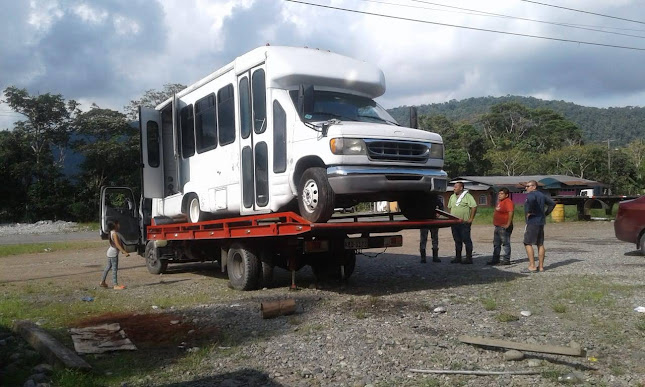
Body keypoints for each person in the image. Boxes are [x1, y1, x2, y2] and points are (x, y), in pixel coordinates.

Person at [523, 180, 556, 272]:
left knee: (527, 242)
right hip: (541, 221)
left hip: (533, 221)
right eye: (526, 186)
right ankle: (541, 267)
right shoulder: (542, 195)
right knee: (540, 244)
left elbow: (531, 201)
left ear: (534, 187)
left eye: (528, 186)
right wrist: (545, 213)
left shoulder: (531, 195)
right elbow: (552, 204)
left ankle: (532, 265)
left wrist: (530, 211)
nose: (526, 188)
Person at [447, 182, 477, 264]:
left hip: (464, 223)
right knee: (457, 240)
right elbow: (450, 208)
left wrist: (471, 219)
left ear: (461, 188)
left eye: (456, 187)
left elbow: (474, 207)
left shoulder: (467, 196)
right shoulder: (452, 196)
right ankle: (458, 257)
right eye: (454, 187)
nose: (454, 188)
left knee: (466, 240)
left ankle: (468, 258)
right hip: (454, 223)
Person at [100, 220, 130, 290]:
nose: (119, 225)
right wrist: (124, 252)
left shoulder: (111, 232)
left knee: (108, 267)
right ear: (115, 225)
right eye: (118, 224)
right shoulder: (114, 234)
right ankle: (115, 285)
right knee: (114, 269)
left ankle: (102, 281)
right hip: (113, 253)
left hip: (110, 252)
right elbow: (117, 245)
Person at [487, 187, 514, 265]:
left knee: (505, 243)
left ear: (506, 195)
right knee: (496, 244)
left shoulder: (508, 202)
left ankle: (506, 260)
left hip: (504, 226)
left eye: (502, 194)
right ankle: (495, 259)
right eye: (499, 193)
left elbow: (510, 212)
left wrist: (508, 224)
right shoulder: (500, 202)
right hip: (498, 226)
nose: (499, 195)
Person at [419, 199, 444, 263]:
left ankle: (435, 257)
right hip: (424, 220)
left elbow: (441, 206)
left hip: (433, 220)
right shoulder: (421, 198)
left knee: (435, 238)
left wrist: (439, 213)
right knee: (423, 239)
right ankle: (423, 258)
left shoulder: (434, 197)